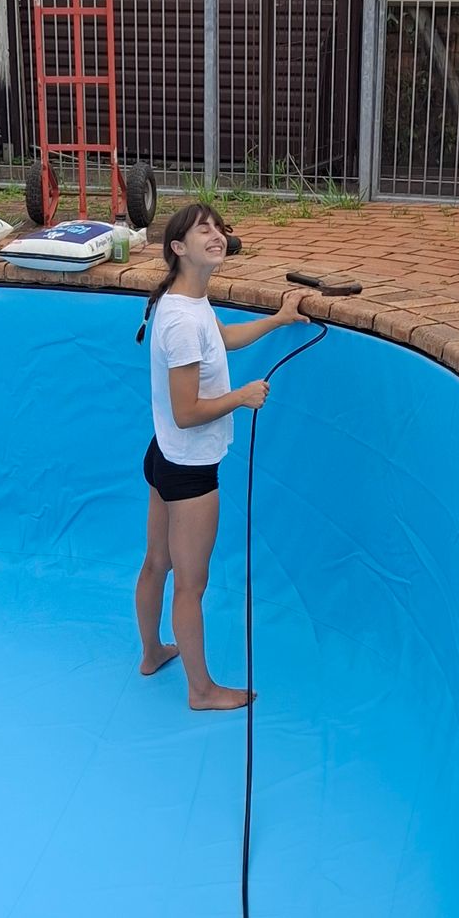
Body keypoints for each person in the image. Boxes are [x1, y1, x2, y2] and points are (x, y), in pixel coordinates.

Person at [135, 204, 304, 711]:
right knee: (191, 584)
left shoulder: (186, 301)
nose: (216, 235)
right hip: (188, 469)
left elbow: (221, 340)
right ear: (177, 248)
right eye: (201, 229)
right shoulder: (182, 320)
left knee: (157, 563)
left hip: (163, 454)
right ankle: (202, 690)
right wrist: (243, 396)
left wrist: (278, 320)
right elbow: (187, 412)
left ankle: (150, 653)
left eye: (218, 228)